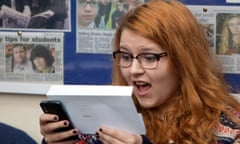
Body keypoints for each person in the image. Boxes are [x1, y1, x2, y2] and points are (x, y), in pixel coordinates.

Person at [40, 0, 240, 144]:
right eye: (126, 57)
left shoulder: (230, 128)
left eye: (150, 57)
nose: (133, 70)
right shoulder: (101, 114)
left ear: (183, 61)